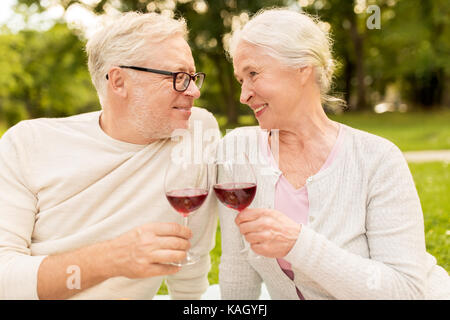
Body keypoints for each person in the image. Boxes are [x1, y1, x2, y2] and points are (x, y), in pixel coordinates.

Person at [217, 8, 450, 299]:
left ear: (303, 68)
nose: (244, 94)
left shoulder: (377, 159)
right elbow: (237, 272)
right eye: (241, 80)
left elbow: (405, 291)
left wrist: (298, 244)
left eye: (253, 73)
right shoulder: (237, 151)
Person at [0, 12, 220, 300]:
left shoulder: (196, 131)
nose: (193, 91)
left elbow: (192, 260)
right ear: (118, 81)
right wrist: (112, 259)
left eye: (192, 77)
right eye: (178, 77)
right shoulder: (27, 144)